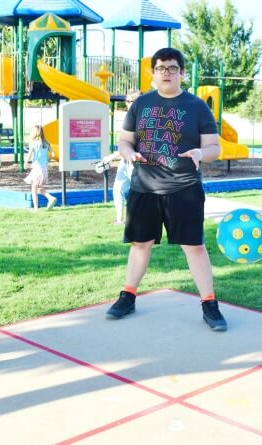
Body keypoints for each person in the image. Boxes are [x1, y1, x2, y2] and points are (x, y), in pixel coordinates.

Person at [104, 47, 227, 331]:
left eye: (172, 68)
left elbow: (214, 148)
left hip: (184, 188)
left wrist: (200, 153)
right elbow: (124, 141)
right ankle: (128, 296)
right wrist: (128, 153)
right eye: (160, 68)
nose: (166, 73)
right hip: (144, 188)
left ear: (182, 73)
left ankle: (209, 304)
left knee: (194, 247)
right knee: (140, 244)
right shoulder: (140, 105)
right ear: (153, 73)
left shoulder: (197, 106)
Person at [104, 89, 141, 224]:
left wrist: (110, 157)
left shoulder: (140, 120)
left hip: (136, 162)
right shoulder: (129, 118)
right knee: (118, 189)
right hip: (125, 161)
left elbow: (128, 145)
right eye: (126, 101)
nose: (126, 103)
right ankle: (120, 220)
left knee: (139, 193)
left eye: (129, 101)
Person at [24, 124, 57, 211]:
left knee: (34, 190)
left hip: (36, 170)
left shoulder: (34, 144)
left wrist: (25, 163)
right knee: (38, 188)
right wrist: (47, 159)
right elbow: (53, 155)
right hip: (44, 170)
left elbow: (29, 154)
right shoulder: (46, 143)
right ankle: (50, 198)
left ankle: (36, 209)